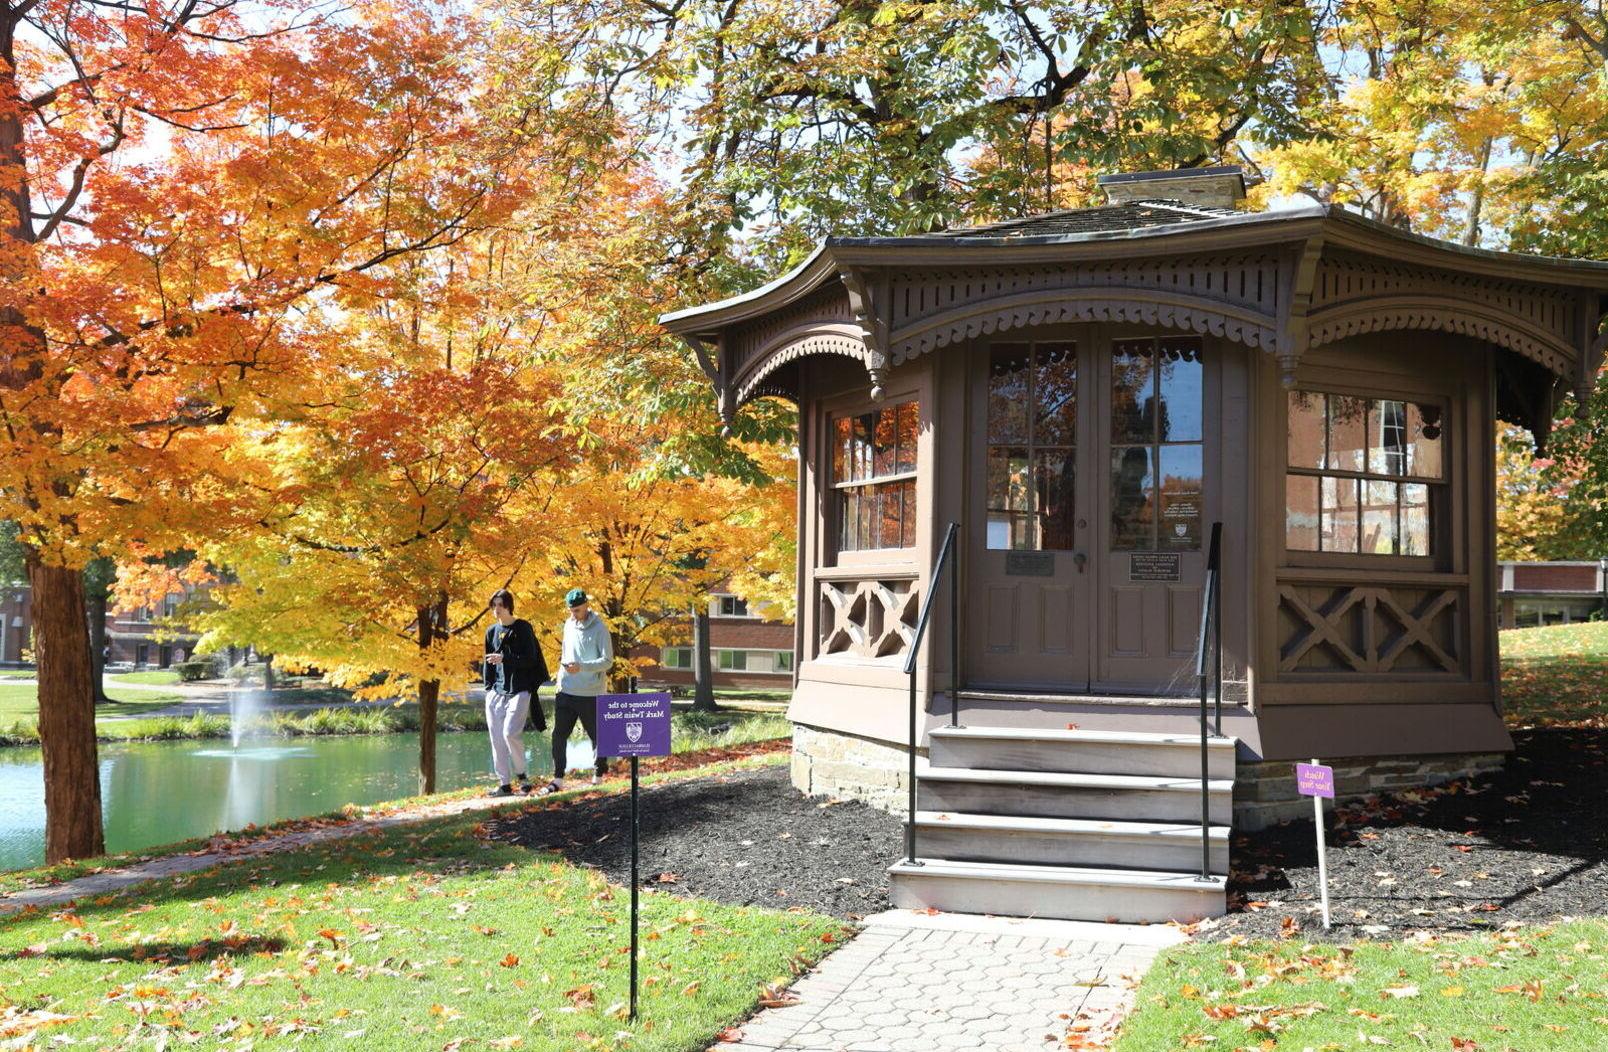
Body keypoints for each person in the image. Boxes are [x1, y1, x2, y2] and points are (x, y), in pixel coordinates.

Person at [536, 588, 612, 795]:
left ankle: (598, 775)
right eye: (571, 610)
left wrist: (583, 667)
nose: (573, 614)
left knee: (597, 736)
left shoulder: (600, 629)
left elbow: (607, 661)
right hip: (566, 691)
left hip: (590, 693)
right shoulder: (569, 624)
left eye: (577, 610)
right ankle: (558, 778)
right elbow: (566, 652)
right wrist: (560, 680)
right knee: (558, 734)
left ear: (587, 605)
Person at [483, 589, 549, 797]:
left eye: (500, 605)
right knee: (496, 739)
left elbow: (531, 660)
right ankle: (504, 784)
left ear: (509, 605)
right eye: (493, 605)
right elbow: (488, 663)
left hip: (520, 690)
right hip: (496, 692)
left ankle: (522, 776)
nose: (496, 609)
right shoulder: (491, 632)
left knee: (510, 733)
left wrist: (506, 659)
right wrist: (488, 689)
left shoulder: (522, 628)